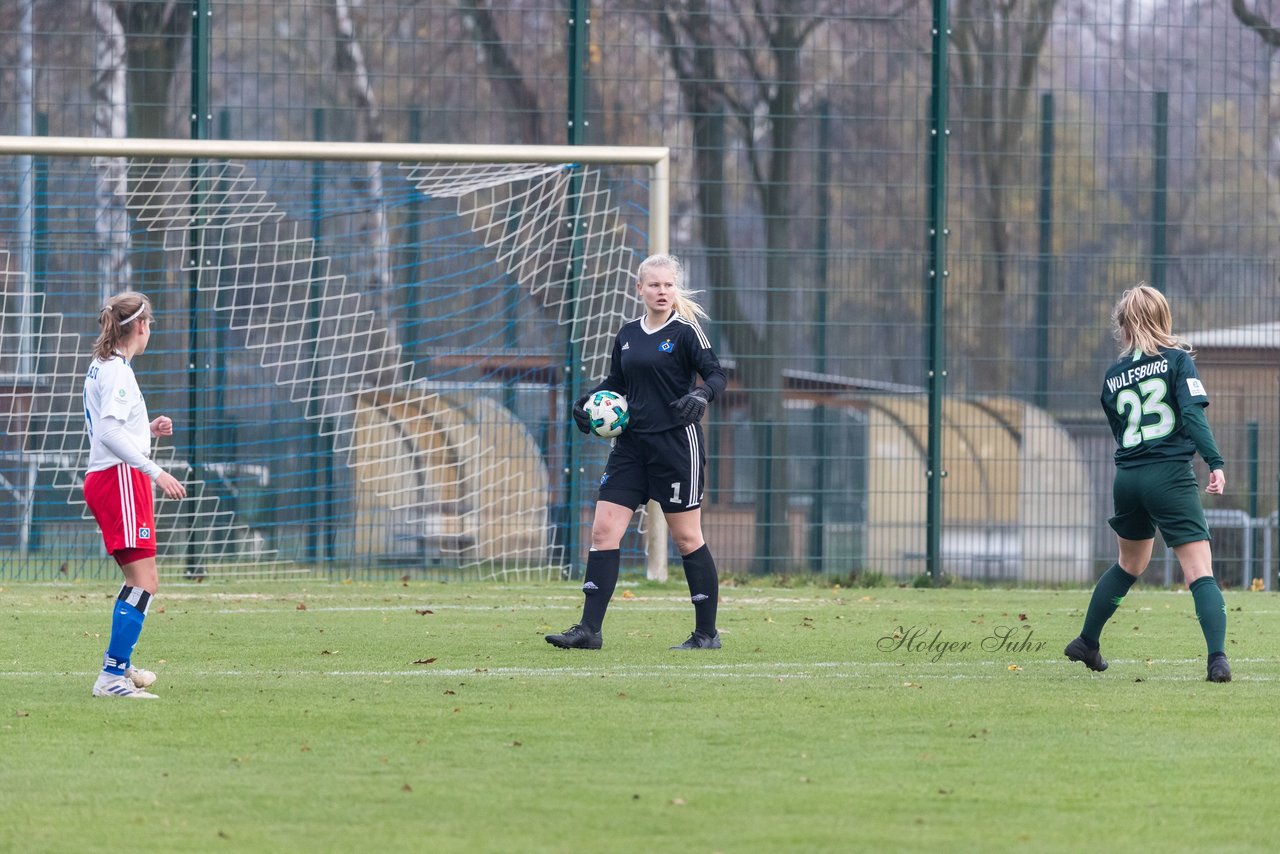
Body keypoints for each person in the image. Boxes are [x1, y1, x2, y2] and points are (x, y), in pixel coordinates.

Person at [546, 254, 727, 651]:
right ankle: (589, 630)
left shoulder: (685, 332)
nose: (662, 291)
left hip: (677, 446)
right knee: (603, 531)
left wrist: (701, 394)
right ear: (639, 288)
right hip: (630, 447)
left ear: (674, 288)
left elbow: (716, 373)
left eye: (668, 285)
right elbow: (617, 381)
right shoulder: (628, 333)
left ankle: (706, 634)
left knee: (686, 538)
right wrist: (588, 402)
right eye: (654, 285)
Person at [1065, 284, 1230, 682]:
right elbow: (1192, 417)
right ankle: (1218, 660)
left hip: (1127, 478)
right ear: (1164, 318)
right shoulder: (1177, 361)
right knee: (1198, 569)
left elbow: (1120, 432)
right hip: (1169, 476)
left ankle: (1087, 641)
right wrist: (1215, 462)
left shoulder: (1112, 377)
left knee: (1130, 563)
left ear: (1123, 327)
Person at [83, 292, 187, 698]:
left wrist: (147, 430)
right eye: (150, 325)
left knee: (142, 580)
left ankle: (119, 666)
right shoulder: (118, 372)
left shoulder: (105, 366)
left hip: (114, 478)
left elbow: (113, 426)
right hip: (119, 479)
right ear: (140, 326)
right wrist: (155, 471)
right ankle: (111, 676)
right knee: (145, 581)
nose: (150, 332)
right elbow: (108, 433)